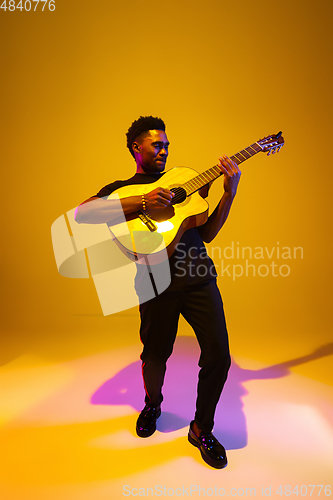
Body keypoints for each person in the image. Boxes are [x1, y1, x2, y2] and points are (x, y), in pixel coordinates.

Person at [75, 116, 241, 469]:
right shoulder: (122, 188)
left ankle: (202, 428)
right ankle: (153, 404)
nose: (164, 150)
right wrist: (142, 202)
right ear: (137, 148)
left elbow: (208, 232)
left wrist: (229, 192)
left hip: (199, 279)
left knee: (219, 356)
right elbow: (82, 214)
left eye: (167, 144)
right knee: (154, 356)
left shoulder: (185, 183)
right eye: (157, 145)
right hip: (154, 283)